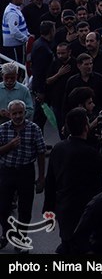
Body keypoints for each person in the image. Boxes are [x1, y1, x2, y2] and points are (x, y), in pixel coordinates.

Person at [43, 107, 102, 254]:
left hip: (64, 207)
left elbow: (50, 181)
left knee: (68, 242)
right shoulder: (88, 152)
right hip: (84, 209)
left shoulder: (58, 148)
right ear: (86, 127)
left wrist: (49, 209)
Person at [0, 100, 46, 251]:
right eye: (14, 113)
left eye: (21, 112)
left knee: (25, 209)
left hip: (26, 171)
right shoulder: (3, 129)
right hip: (7, 170)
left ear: (25, 113)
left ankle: (20, 238)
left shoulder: (34, 129)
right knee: (2, 207)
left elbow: (41, 153)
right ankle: (7, 231)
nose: (18, 116)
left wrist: (41, 178)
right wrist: (10, 146)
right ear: (9, 114)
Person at [2, 0, 30, 64]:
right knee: (17, 65)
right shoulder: (12, 13)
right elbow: (14, 31)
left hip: (17, 44)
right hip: (14, 46)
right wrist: (26, 39)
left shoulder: (15, 9)